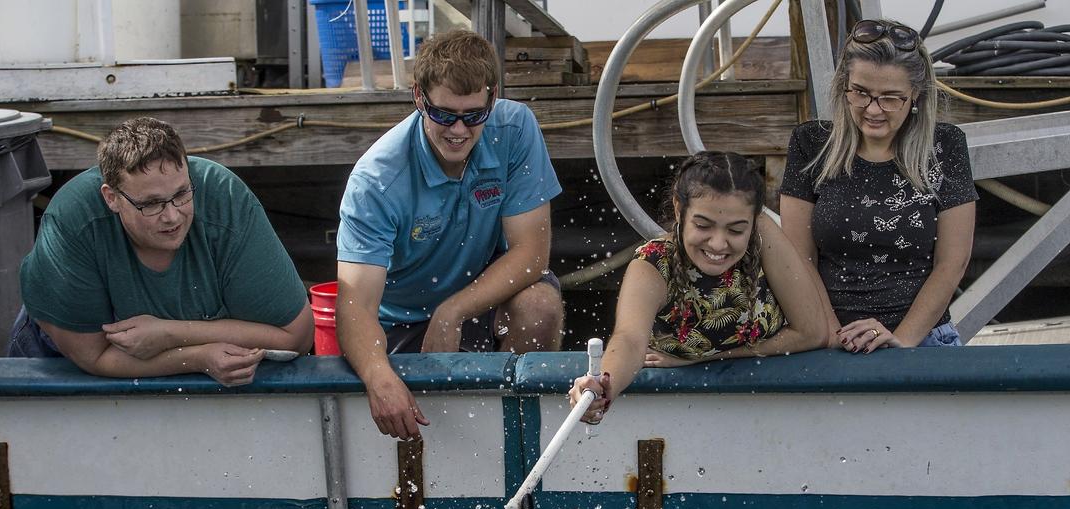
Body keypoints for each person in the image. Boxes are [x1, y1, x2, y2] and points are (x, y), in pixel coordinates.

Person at [336, 30, 564, 440]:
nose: (458, 130)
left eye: (474, 115)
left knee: (540, 305)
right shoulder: (375, 181)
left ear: (492, 99)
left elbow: (532, 254)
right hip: (402, 323)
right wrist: (378, 377)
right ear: (419, 98)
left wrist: (452, 311)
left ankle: (521, 438)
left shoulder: (515, 127)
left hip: (477, 297)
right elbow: (355, 307)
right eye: (444, 115)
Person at [10, 117, 313, 386]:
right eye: (151, 204)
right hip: (60, 356)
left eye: (181, 194)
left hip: (188, 354)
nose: (172, 216)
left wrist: (170, 334)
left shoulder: (226, 201)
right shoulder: (72, 220)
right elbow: (94, 357)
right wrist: (196, 358)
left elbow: (296, 337)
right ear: (112, 198)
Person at [568, 151, 829, 423]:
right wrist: (602, 387)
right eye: (703, 225)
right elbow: (630, 341)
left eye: (736, 230)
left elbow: (812, 332)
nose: (718, 244)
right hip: (678, 417)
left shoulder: (764, 233)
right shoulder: (653, 264)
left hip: (773, 410)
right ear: (679, 210)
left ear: (753, 221)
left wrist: (704, 359)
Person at [779, 18, 978, 353]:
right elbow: (799, 258)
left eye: (890, 98)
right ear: (844, 85)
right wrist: (835, 336)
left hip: (922, 340)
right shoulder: (810, 143)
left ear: (914, 93)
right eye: (861, 93)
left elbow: (952, 262)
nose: (873, 109)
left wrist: (902, 339)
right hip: (828, 339)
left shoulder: (946, 145)